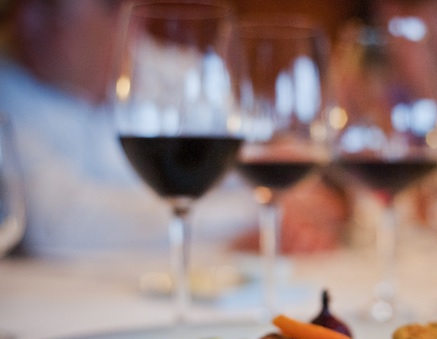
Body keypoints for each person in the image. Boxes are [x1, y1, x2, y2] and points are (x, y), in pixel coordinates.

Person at [0, 0, 348, 257]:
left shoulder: (183, 73)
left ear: (121, 15)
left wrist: (294, 199)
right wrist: (256, 214)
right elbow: (55, 227)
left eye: (49, 9)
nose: (23, 23)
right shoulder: (6, 87)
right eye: (17, 6)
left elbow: (242, 166)